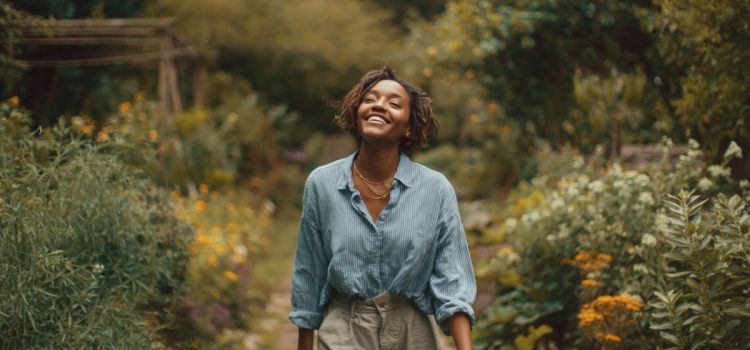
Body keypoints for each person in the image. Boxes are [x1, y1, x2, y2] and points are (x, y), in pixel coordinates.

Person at [289, 66, 476, 350]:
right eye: (371, 99)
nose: (379, 105)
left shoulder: (435, 189)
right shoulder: (322, 184)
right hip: (344, 329)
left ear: (410, 126)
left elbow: (452, 279)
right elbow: (309, 272)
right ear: (357, 111)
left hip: (412, 332)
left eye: (394, 103)